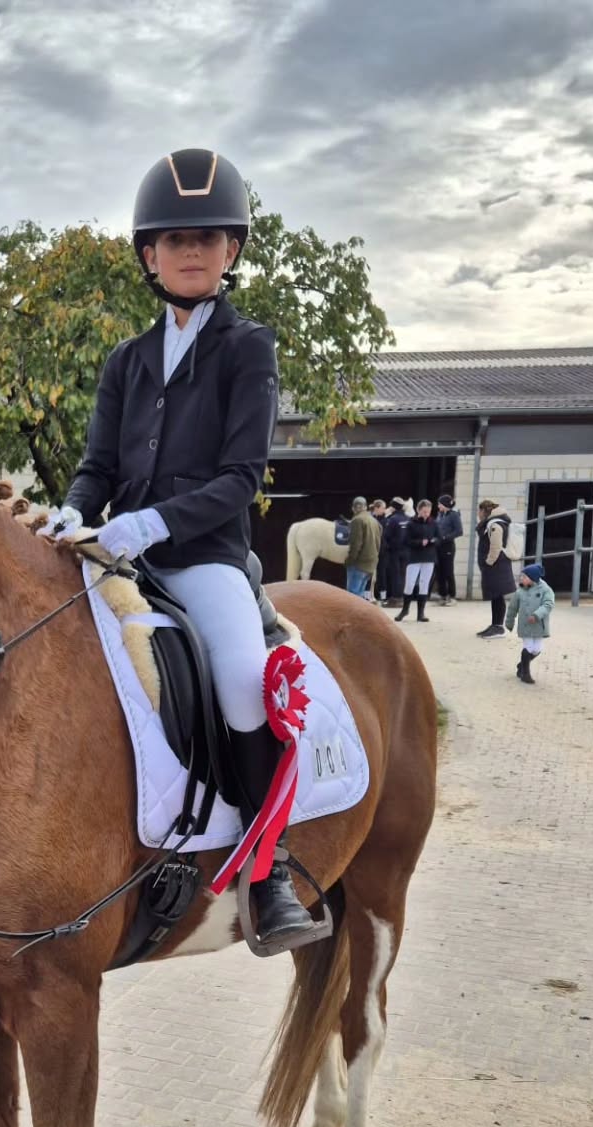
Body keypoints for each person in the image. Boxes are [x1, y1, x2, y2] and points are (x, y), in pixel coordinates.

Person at [40, 148, 315, 950]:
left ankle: (269, 875)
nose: (191, 250)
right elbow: (97, 466)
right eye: (174, 238)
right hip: (120, 558)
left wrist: (151, 523)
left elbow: (240, 477)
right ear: (148, 256)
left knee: (237, 681)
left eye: (207, 237)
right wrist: (74, 512)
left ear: (230, 251)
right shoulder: (126, 360)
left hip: (204, 559)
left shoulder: (246, 347)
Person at [505, 563, 554, 683]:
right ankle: (525, 674)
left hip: (539, 625)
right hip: (525, 624)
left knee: (537, 649)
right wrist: (509, 622)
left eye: (524, 577)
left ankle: (521, 665)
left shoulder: (546, 590)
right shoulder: (520, 591)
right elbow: (512, 607)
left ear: (533, 578)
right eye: (521, 577)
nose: (521, 579)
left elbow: (548, 605)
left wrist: (537, 615)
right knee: (528, 647)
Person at [476, 499, 517, 637]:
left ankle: (499, 627)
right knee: (496, 596)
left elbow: (496, 546)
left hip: (496, 566)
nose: (478, 514)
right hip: (496, 566)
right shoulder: (494, 523)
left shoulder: (495, 525)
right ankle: (495, 625)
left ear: (483, 511)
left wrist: (489, 562)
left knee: (498, 596)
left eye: (479, 511)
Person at [394, 499, 438, 622]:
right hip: (414, 557)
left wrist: (432, 541)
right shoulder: (411, 523)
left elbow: (439, 537)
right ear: (418, 510)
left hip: (429, 557)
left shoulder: (433, 523)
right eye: (424, 511)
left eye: (428, 512)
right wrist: (419, 542)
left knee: (424, 584)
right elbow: (406, 541)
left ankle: (421, 613)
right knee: (410, 583)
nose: (426, 514)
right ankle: (405, 609)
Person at [345, 495, 381, 599]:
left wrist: (349, 561)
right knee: (360, 596)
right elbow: (378, 542)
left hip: (358, 564)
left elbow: (356, 544)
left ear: (353, 508)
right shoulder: (374, 521)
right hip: (370, 564)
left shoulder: (357, 520)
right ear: (366, 507)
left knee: (352, 595)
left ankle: (352, 615)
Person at [382, 499, 411, 608]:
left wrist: (387, 547)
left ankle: (395, 598)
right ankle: (402, 598)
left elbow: (386, 536)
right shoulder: (408, 519)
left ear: (393, 507)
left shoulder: (392, 520)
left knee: (395, 575)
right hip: (407, 552)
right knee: (403, 575)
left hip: (394, 552)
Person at [434, 493, 463, 605]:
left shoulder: (454, 515)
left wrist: (445, 537)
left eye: (440, 504)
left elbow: (459, 531)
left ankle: (452, 596)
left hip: (448, 546)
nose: (438, 506)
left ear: (445, 504)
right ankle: (443, 595)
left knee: (448, 571)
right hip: (438, 546)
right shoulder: (440, 515)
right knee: (439, 571)